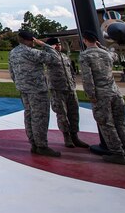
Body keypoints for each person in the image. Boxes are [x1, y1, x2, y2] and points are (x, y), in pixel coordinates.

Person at [80, 33, 125, 165]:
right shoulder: (106, 54)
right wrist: (102, 47)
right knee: (121, 123)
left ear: (85, 40)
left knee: (106, 123)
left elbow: (87, 78)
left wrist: (91, 95)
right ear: (97, 41)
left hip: (101, 94)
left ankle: (117, 153)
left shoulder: (85, 55)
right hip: (115, 92)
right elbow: (114, 55)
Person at [9, 29, 60, 157]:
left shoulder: (13, 52)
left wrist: (18, 83)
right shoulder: (32, 52)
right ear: (30, 39)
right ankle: (41, 145)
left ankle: (34, 143)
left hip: (23, 89)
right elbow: (55, 58)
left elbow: (11, 71)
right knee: (40, 117)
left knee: (29, 115)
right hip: (37, 89)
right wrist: (44, 45)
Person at [44, 37, 89, 148]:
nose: (58, 46)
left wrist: (72, 84)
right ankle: (67, 137)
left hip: (70, 89)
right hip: (58, 89)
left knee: (74, 114)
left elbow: (71, 72)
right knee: (62, 115)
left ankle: (75, 136)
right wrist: (49, 48)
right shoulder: (49, 57)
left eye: (59, 44)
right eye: (55, 44)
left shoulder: (65, 57)